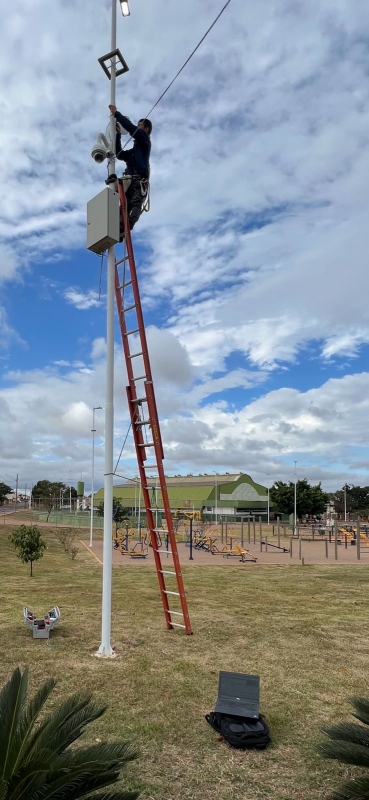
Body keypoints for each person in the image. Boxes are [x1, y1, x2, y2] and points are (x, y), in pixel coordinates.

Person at [108, 104, 152, 231]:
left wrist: (117, 114)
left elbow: (132, 129)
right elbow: (120, 154)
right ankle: (121, 229)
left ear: (146, 129)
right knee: (124, 207)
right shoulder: (134, 152)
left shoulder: (144, 140)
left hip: (139, 181)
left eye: (140, 125)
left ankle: (129, 224)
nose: (137, 127)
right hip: (130, 181)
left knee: (135, 203)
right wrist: (118, 135)